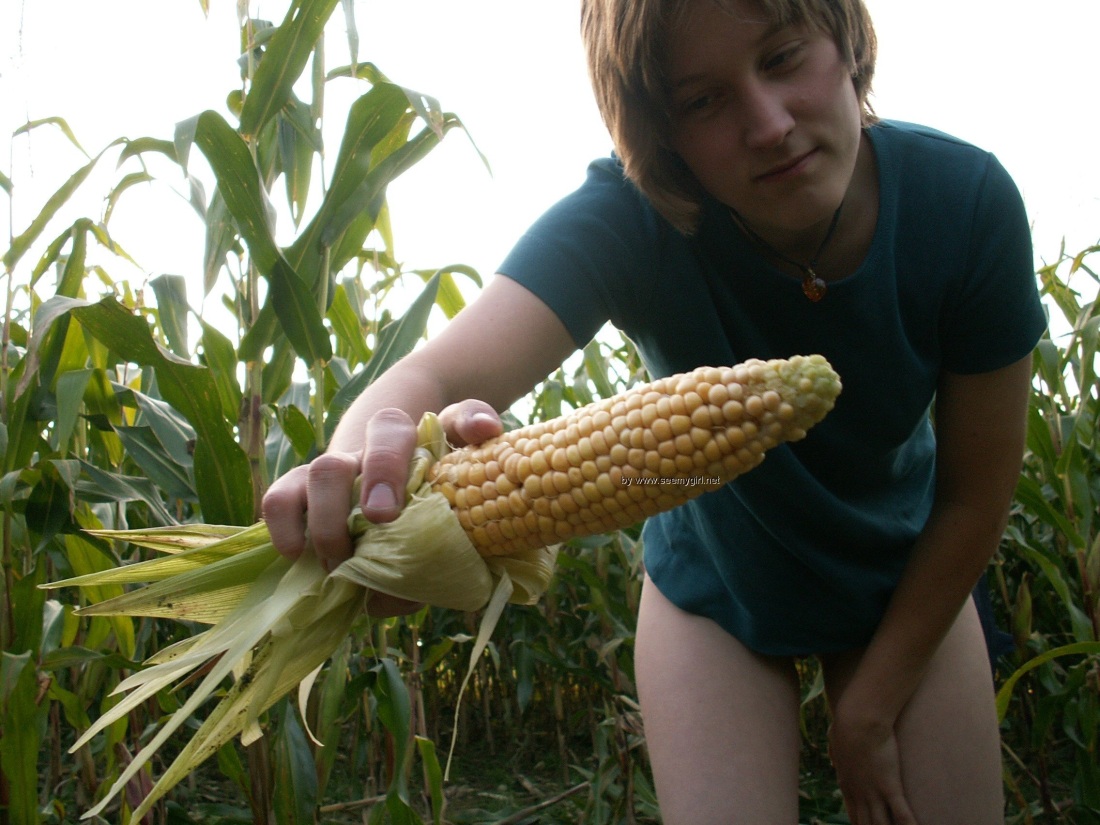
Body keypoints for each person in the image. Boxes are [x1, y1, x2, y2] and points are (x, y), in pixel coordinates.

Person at [262, 0, 1047, 822]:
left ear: (847, 44)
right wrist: (359, 468)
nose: (770, 125)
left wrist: (869, 709)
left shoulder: (966, 205)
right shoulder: (631, 218)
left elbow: (973, 497)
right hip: (716, 579)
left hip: (906, 567)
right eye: (702, 100)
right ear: (661, 133)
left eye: (783, 58)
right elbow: (434, 371)